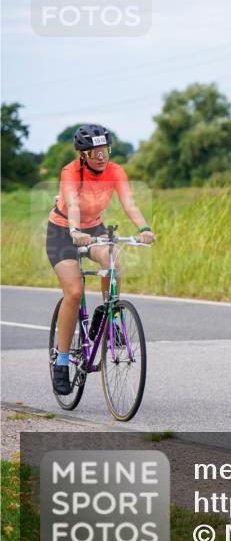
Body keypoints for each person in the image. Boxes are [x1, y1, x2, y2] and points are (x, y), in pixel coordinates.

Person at [46, 124, 155, 395]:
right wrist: (74, 231)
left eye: (104, 150)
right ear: (82, 154)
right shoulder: (70, 172)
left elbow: (129, 203)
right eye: (94, 152)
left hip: (94, 228)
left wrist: (144, 228)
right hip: (63, 231)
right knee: (74, 292)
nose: (100, 157)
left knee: (114, 260)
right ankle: (61, 362)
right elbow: (71, 203)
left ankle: (106, 314)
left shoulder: (115, 171)